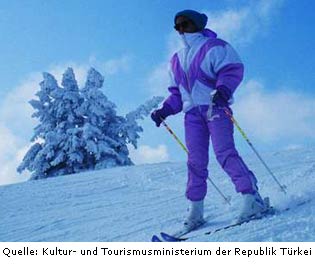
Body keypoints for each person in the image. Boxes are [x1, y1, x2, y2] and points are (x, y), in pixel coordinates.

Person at [151, 9, 269, 230]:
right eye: (177, 26)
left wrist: (223, 90)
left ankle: (251, 198)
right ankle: (196, 211)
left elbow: (231, 70)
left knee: (224, 152)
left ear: (197, 24)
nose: (180, 29)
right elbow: (177, 94)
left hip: (215, 107)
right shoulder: (176, 59)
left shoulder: (215, 47)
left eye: (185, 24)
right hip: (192, 115)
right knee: (195, 161)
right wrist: (164, 110)